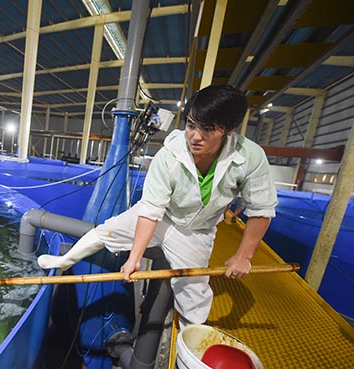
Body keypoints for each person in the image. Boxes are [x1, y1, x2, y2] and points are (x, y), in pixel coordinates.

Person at [38, 85, 277, 327]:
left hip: (196, 232)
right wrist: (134, 257)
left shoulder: (251, 157)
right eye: (191, 125)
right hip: (162, 216)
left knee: (193, 295)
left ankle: (189, 342)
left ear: (229, 130)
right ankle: (65, 260)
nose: (195, 136)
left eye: (207, 130)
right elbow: (151, 210)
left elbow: (261, 209)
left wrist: (243, 256)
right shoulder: (169, 155)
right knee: (105, 231)